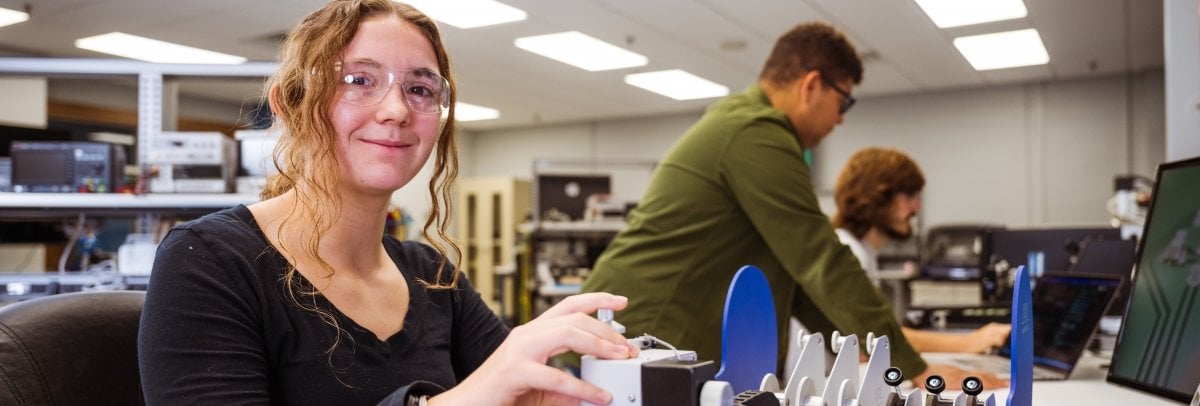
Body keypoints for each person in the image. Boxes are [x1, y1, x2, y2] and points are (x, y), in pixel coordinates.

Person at [137, 1, 638, 405]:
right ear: (288, 105)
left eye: (420, 88)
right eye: (359, 81)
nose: (397, 110)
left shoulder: (432, 277)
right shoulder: (209, 261)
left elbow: (516, 390)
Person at [580, 22, 1005, 389]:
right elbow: (821, 260)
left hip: (643, 337)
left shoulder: (746, 127)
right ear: (811, 85)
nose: (841, 118)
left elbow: (803, 285)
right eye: (844, 102)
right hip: (636, 335)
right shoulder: (754, 131)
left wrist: (878, 356)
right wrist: (912, 368)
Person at [831, 147, 1010, 355]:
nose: (917, 208)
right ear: (877, 196)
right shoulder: (848, 252)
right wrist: (968, 343)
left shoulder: (860, 252)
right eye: (909, 195)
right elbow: (867, 340)